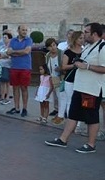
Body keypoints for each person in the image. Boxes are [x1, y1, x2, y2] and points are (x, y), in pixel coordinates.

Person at [45, 22, 105, 153]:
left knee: (91, 116)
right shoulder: (89, 47)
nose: (84, 35)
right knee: (73, 113)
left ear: (94, 33)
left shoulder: (102, 47)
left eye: (86, 32)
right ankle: (63, 139)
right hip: (80, 86)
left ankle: (91, 144)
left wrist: (87, 66)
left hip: (92, 89)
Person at [53, 31, 84, 125]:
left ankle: (78, 123)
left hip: (81, 79)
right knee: (70, 100)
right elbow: (64, 66)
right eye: (80, 38)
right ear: (75, 39)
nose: (82, 40)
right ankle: (71, 122)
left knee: (80, 101)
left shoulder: (85, 51)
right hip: (70, 79)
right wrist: (74, 65)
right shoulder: (68, 52)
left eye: (83, 38)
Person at [6, 25, 33, 117]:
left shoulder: (28, 40)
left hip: (25, 67)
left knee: (24, 88)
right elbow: (8, 52)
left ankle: (24, 108)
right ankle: (16, 107)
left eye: (26, 30)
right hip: (14, 67)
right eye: (23, 30)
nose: (25, 32)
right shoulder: (13, 40)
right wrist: (19, 52)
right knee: (15, 87)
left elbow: (26, 51)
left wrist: (14, 52)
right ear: (18, 31)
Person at [44, 37, 63, 117]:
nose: (53, 47)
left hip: (60, 77)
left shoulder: (61, 53)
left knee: (60, 95)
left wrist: (61, 68)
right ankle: (57, 110)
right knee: (55, 95)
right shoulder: (48, 55)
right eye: (51, 46)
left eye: (54, 45)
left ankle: (61, 113)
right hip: (52, 77)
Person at [0, 32, 13, 104]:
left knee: (7, 82)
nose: (4, 39)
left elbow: (9, 55)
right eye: (3, 37)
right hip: (1, 65)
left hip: (8, 66)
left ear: (9, 39)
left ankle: (7, 97)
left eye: (6, 38)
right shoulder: (2, 47)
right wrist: (3, 56)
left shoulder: (11, 47)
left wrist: (3, 56)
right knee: (2, 82)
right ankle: (2, 96)